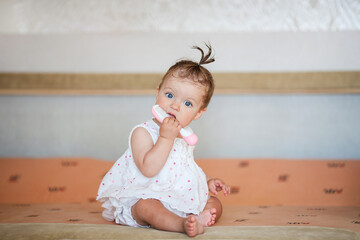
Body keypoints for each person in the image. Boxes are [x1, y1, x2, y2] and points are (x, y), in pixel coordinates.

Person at [97, 44, 230, 237]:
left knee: (214, 204)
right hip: (147, 195)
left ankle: (194, 218)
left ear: (199, 113)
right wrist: (166, 137)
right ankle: (181, 224)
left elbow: (185, 166)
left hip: (176, 196)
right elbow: (148, 169)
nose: (175, 106)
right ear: (157, 92)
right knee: (145, 207)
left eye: (187, 103)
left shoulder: (184, 137)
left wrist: (208, 180)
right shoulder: (142, 132)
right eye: (169, 95)